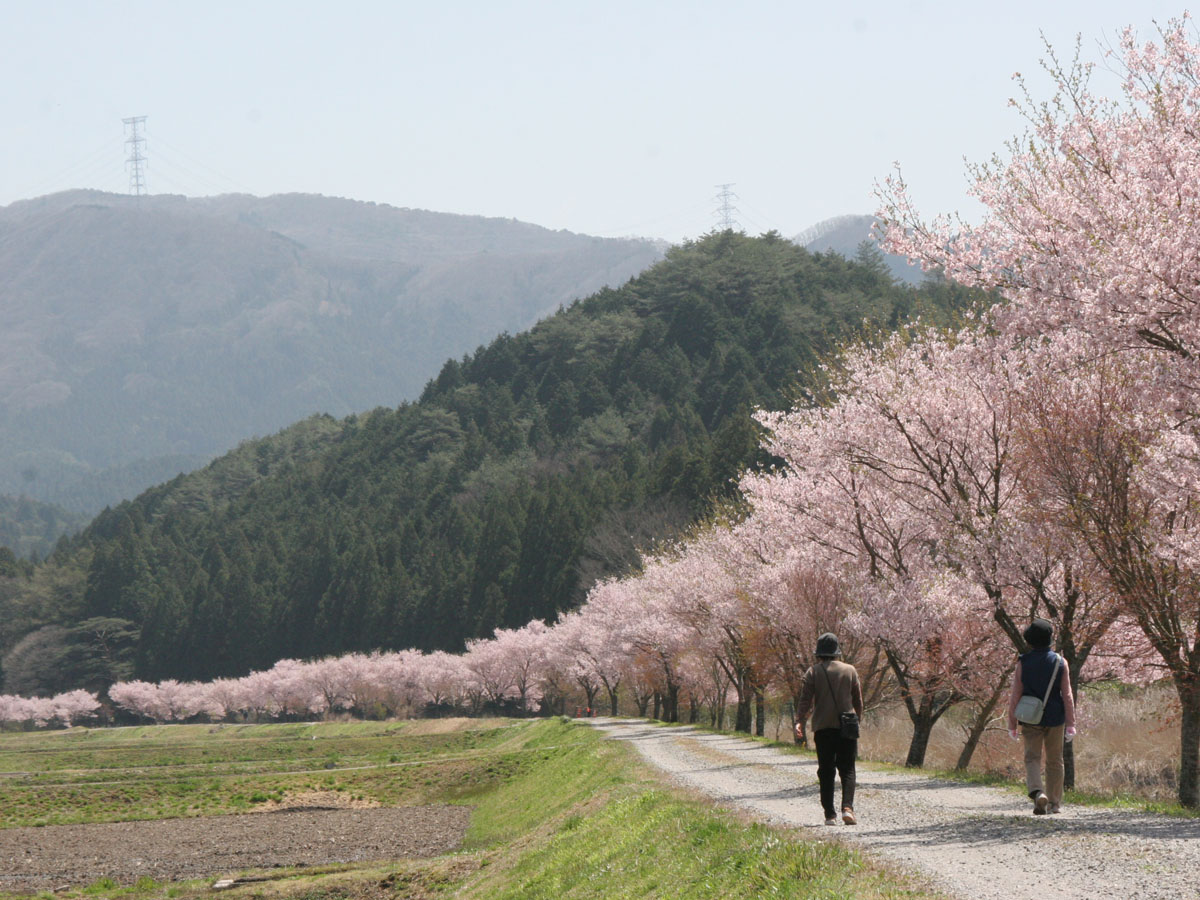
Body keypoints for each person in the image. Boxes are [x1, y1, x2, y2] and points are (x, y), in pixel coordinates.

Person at [1006, 617, 1076, 815]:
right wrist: (1071, 723)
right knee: (1055, 760)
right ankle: (1054, 803)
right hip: (1055, 717)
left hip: (1030, 717)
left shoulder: (1024, 662)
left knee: (1032, 758)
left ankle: (1038, 793)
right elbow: (1068, 695)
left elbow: (1015, 694)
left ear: (1029, 640)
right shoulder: (1061, 662)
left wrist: (1012, 723)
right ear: (1050, 639)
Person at [794, 633, 863, 825]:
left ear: (819, 653)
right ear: (836, 651)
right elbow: (858, 700)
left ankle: (830, 815)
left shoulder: (813, 672)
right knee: (848, 769)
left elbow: (805, 700)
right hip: (846, 727)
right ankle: (847, 808)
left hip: (823, 728)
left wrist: (799, 720)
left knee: (826, 770)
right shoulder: (850, 670)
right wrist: (858, 719)